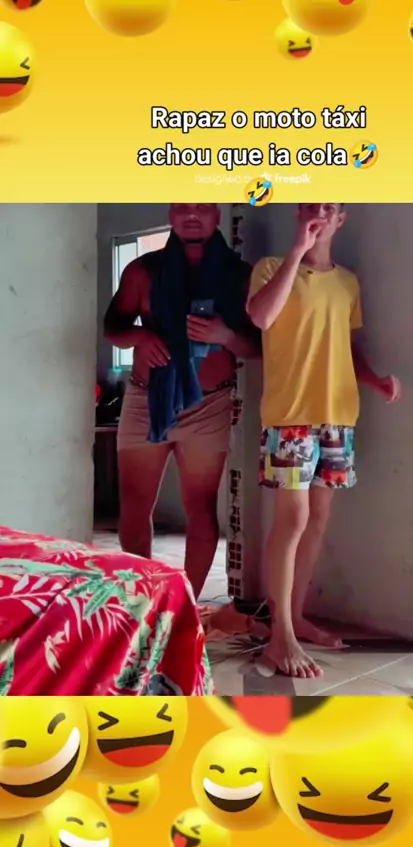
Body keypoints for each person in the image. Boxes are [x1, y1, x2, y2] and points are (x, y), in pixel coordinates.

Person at [247, 202, 401, 678]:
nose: (320, 211)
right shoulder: (272, 267)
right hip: (290, 415)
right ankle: (280, 637)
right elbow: (260, 318)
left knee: (317, 518)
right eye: (312, 204)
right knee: (292, 518)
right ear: (300, 212)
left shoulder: (348, 283)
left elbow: (345, 346)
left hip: (338, 416)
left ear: (341, 219)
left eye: (330, 207)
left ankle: (295, 618)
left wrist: (375, 381)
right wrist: (298, 250)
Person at [104, 203, 259, 598]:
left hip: (209, 405)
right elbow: (113, 326)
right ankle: (142, 601)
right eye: (183, 207)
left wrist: (226, 336)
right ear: (171, 214)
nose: (192, 215)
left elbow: (257, 347)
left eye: (202, 207)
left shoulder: (240, 277)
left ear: (217, 214)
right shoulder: (143, 271)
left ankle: (185, 605)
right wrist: (141, 336)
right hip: (145, 399)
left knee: (201, 507)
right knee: (134, 507)